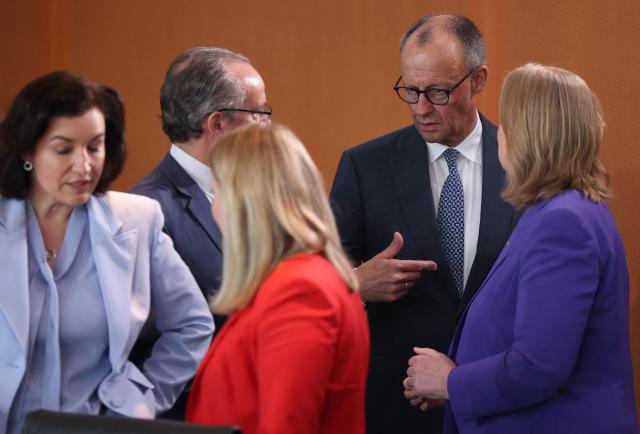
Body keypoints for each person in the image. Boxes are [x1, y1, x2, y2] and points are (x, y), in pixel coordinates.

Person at [403, 63, 638, 433]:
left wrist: (451, 382)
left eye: (506, 122)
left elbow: (538, 367)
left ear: (530, 134)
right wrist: (456, 381)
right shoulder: (556, 211)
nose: (499, 135)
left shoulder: (562, 223)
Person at [329, 14, 518, 433]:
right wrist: (356, 282)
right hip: (397, 406)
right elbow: (313, 281)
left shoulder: (525, 166)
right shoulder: (363, 167)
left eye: (437, 91)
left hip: (498, 405)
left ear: (479, 79)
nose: (421, 108)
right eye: (410, 91)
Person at [0, 71, 214, 434]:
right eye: (64, 149)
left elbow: (192, 325)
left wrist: (140, 398)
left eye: (94, 147)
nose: (84, 166)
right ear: (27, 152)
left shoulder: (138, 219)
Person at [186, 123, 370, 434]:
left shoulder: (301, 289)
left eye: (217, 194)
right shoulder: (298, 277)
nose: (214, 209)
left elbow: (288, 425)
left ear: (246, 203)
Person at [129, 47, 271, 418]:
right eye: (259, 112)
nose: (267, 125)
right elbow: (139, 343)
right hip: (189, 417)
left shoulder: (257, 194)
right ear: (218, 123)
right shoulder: (147, 211)